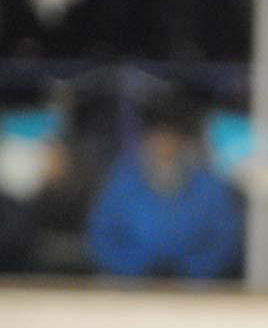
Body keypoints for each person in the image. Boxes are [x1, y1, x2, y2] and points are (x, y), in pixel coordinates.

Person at [87, 89, 242, 282]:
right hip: (129, 286)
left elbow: (224, 239)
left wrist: (190, 271)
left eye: (171, 138)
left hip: (196, 288)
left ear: (183, 141)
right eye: (158, 137)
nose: (165, 146)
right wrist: (135, 269)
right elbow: (101, 236)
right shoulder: (122, 182)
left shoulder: (209, 186)